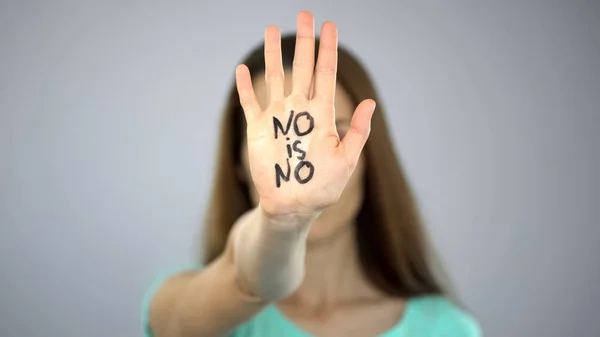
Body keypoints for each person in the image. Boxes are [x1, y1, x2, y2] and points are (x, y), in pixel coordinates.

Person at [142, 11, 481, 337]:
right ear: (238, 164)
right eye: (277, 136)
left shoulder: (448, 329)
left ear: (369, 157)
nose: (304, 159)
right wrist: (281, 225)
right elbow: (240, 280)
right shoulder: (182, 307)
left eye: (335, 132)